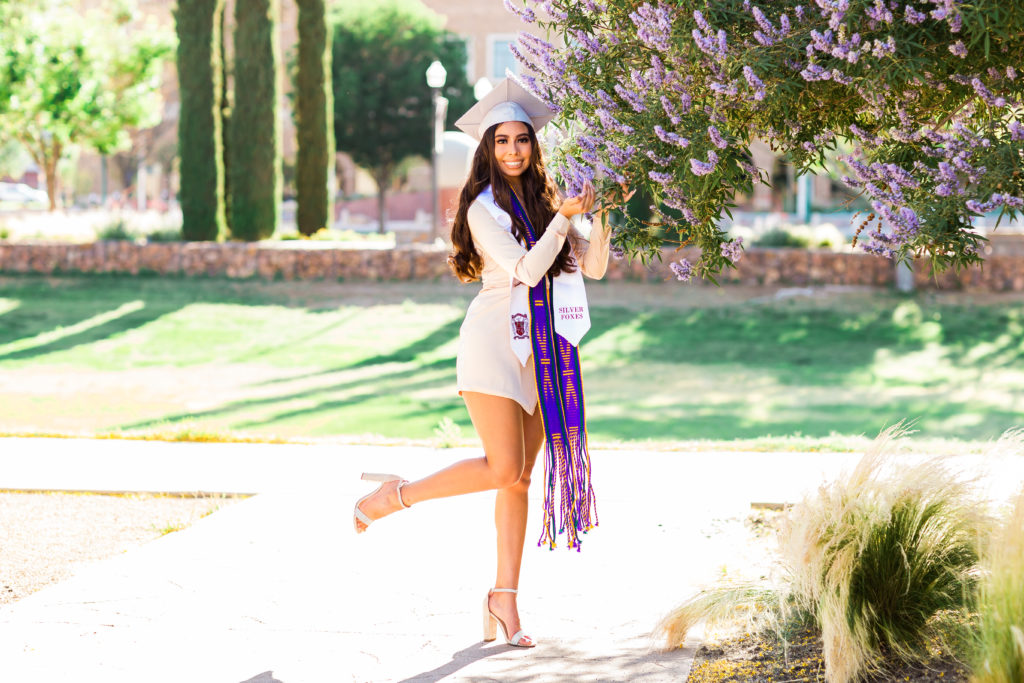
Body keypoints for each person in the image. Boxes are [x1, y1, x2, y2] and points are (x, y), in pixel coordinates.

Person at [352, 79, 627, 648]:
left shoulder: (547, 203)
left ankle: (504, 598)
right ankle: (395, 496)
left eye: (521, 139)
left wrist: (599, 217)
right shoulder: (482, 209)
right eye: (501, 140)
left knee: (522, 478)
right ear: (487, 148)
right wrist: (562, 221)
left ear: (533, 145)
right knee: (503, 468)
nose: (512, 150)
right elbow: (527, 270)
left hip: (542, 350)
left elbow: (592, 268)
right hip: (494, 343)